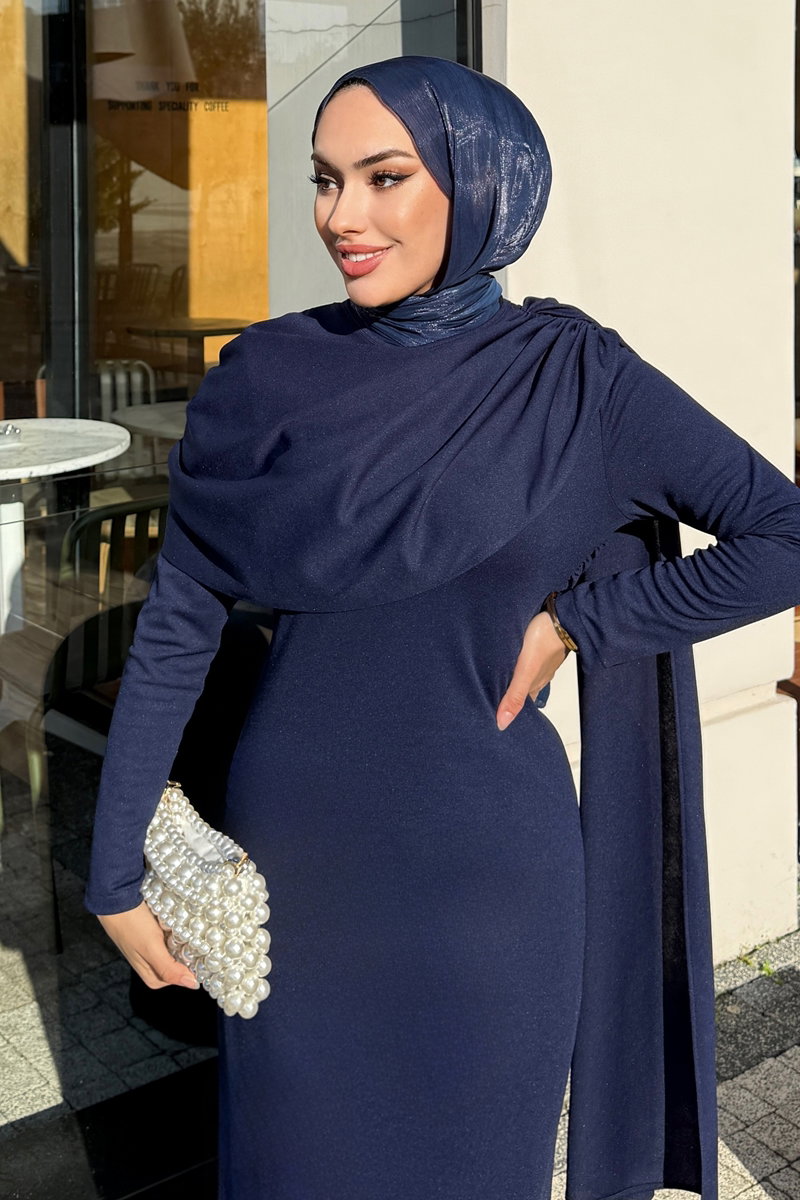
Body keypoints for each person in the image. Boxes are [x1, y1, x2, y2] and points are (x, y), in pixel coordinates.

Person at [84, 56, 800, 1200]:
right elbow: (174, 631)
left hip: (484, 893)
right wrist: (113, 871)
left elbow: (782, 534)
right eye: (324, 180)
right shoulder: (262, 378)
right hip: (290, 883)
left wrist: (583, 619)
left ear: (481, 185)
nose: (342, 216)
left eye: (384, 177)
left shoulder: (574, 380)